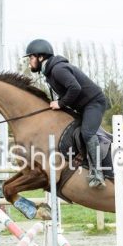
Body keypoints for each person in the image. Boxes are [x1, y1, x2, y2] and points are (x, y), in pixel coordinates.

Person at [24, 38, 108, 189]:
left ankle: (98, 173)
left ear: (40, 57)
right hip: (83, 106)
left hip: (94, 103)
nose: (29, 62)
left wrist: (60, 103)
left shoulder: (58, 69)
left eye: (31, 57)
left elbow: (75, 88)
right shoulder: (50, 72)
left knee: (87, 133)